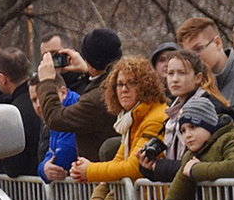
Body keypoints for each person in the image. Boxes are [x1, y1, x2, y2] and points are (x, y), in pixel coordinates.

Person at [70, 56, 168, 187]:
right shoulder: (132, 118)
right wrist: (84, 170)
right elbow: (118, 161)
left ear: (146, 86)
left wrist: (89, 170)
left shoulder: (154, 117)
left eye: (132, 83)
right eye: (120, 84)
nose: (124, 89)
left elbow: (133, 167)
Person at [139, 48, 231, 185]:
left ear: (198, 78)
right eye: (170, 73)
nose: (174, 79)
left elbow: (201, 162)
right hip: (183, 191)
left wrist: (159, 167)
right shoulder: (172, 111)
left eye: (182, 73)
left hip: (204, 195)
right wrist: (147, 166)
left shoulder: (209, 107)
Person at [178, 16, 234, 143]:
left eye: (198, 49)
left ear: (217, 43)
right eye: (188, 54)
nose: (193, 59)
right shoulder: (195, 88)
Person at [35, 27, 122, 162]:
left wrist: (46, 82)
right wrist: (87, 71)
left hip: (101, 173)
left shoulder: (96, 99)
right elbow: (105, 81)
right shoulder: (120, 84)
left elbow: (55, 118)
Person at [0, 48, 42, 178]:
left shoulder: (13, 115)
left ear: (2, 78)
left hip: (28, 190)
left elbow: (14, 167)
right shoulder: (43, 99)